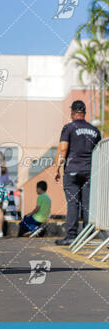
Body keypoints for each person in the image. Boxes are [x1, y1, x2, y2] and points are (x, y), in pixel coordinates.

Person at [54, 100, 101, 245]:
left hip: (73, 170)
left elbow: (63, 149)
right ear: (84, 113)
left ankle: (71, 236)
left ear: (72, 112)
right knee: (87, 204)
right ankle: (87, 236)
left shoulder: (69, 128)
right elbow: (99, 152)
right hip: (90, 171)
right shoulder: (95, 130)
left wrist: (57, 168)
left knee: (73, 203)